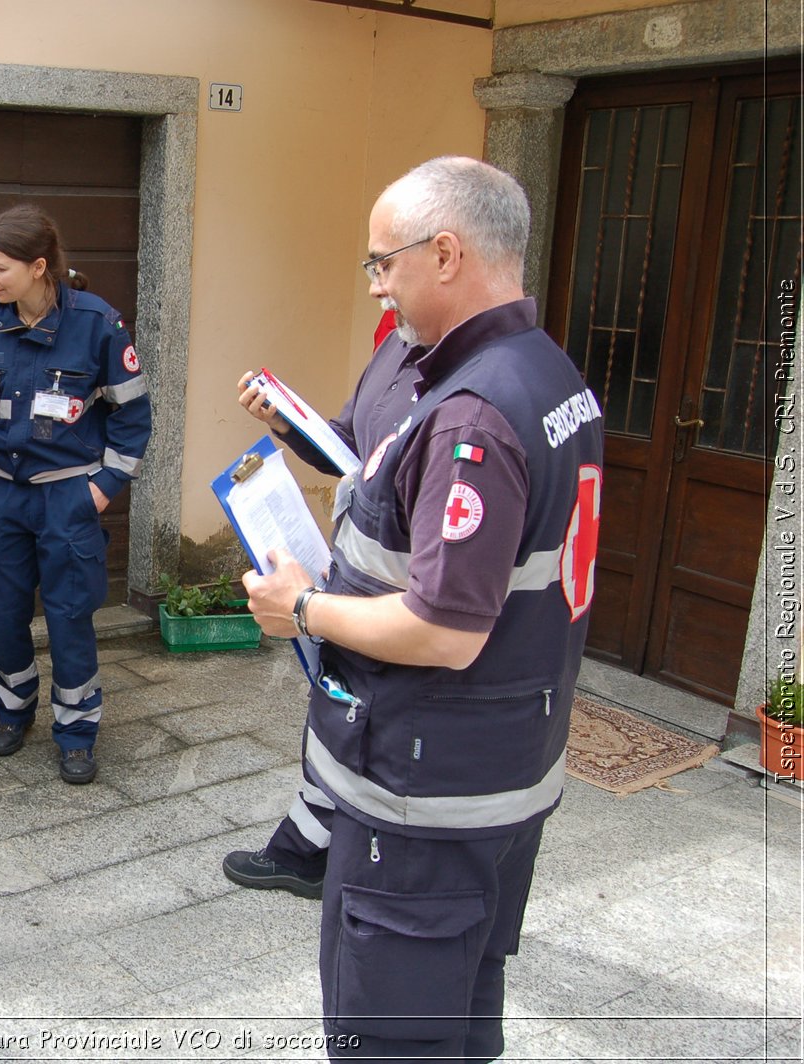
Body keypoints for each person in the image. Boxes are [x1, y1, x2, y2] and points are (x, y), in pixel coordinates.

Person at [240, 156, 603, 1062]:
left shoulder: (473, 413)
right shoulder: (542, 373)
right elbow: (378, 467)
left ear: (445, 253)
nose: (375, 285)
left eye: (381, 262)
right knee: (463, 1017)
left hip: (425, 793)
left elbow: (445, 630)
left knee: (390, 1043)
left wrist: (305, 608)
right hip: (502, 768)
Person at [0, 204, 152, 784]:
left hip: (68, 499)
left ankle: (77, 731)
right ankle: (13, 712)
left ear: (39, 267)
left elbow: (133, 416)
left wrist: (104, 487)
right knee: (3, 613)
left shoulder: (98, 325)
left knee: (69, 617)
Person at [221, 306, 402, 899]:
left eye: (385, 265)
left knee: (354, 703)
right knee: (338, 695)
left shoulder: (458, 377)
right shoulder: (396, 344)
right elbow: (346, 448)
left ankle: (311, 850)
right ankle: (310, 845)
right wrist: (286, 424)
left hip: (395, 584)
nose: (377, 290)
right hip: (358, 564)